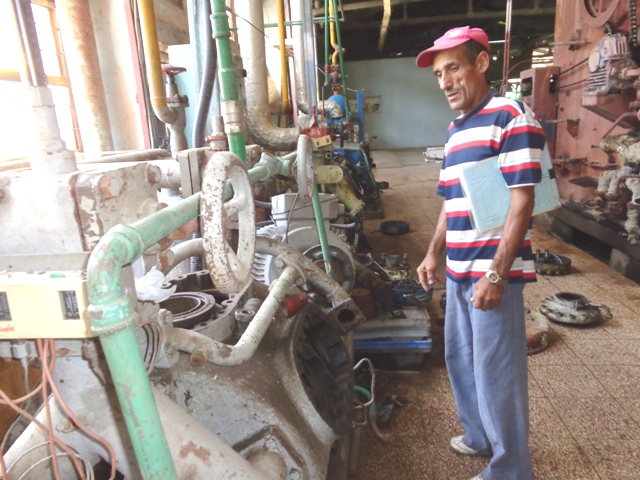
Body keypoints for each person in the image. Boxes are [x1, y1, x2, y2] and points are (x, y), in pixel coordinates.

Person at [415, 26, 546, 480]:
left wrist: (496, 275)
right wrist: (433, 254)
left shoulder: (511, 116)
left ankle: (511, 470)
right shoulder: (455, 131)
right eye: (438, 74)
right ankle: (478, 436)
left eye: (453, 68)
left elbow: (522, 200)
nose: (445, 82)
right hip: (457, 269)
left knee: (497, 373)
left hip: (491, 272)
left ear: (482, 63)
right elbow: (450, 202)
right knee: (460, 359)